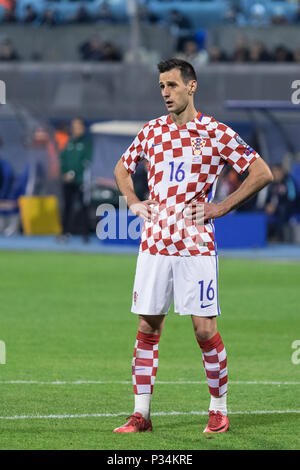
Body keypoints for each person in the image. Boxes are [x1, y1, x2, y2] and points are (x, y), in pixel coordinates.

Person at [113, 58, 273, 434]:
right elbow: (122, 168)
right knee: (148, 327)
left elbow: (261, 172)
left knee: (204, 330)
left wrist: (221, 206)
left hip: (196, 247)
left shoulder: (215, 132)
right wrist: (134, 202)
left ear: (192, 86)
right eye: (162, 86)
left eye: (172, 85)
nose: (166, 92)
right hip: (154, 245)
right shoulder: (152, 131)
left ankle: (219, 410)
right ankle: (141, 415)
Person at [59, 118, 93, 242]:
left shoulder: (86, 144)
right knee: (67, 206)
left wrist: (74, 173)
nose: (76, 129)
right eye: (74, 126)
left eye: (78, 126)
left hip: (81, 181)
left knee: (84, 207)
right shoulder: (69, 143)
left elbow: (86, 162)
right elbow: (63, 159)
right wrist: (64, 173)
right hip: (67, 181)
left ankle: (85, 234)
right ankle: (65, 232)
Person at [264, 164, 298, 242]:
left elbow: (292, 198)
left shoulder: (289, 181)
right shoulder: (271, 182)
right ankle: (263, 236)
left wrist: (276, 206)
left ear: (282, 172)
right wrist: (267, 205)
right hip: (274, 207)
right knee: (259, 210)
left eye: (278, 172)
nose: (276, 174)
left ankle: (278, 236)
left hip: (289, 207)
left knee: (282, 210)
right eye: (274, 172)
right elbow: (266, 198)